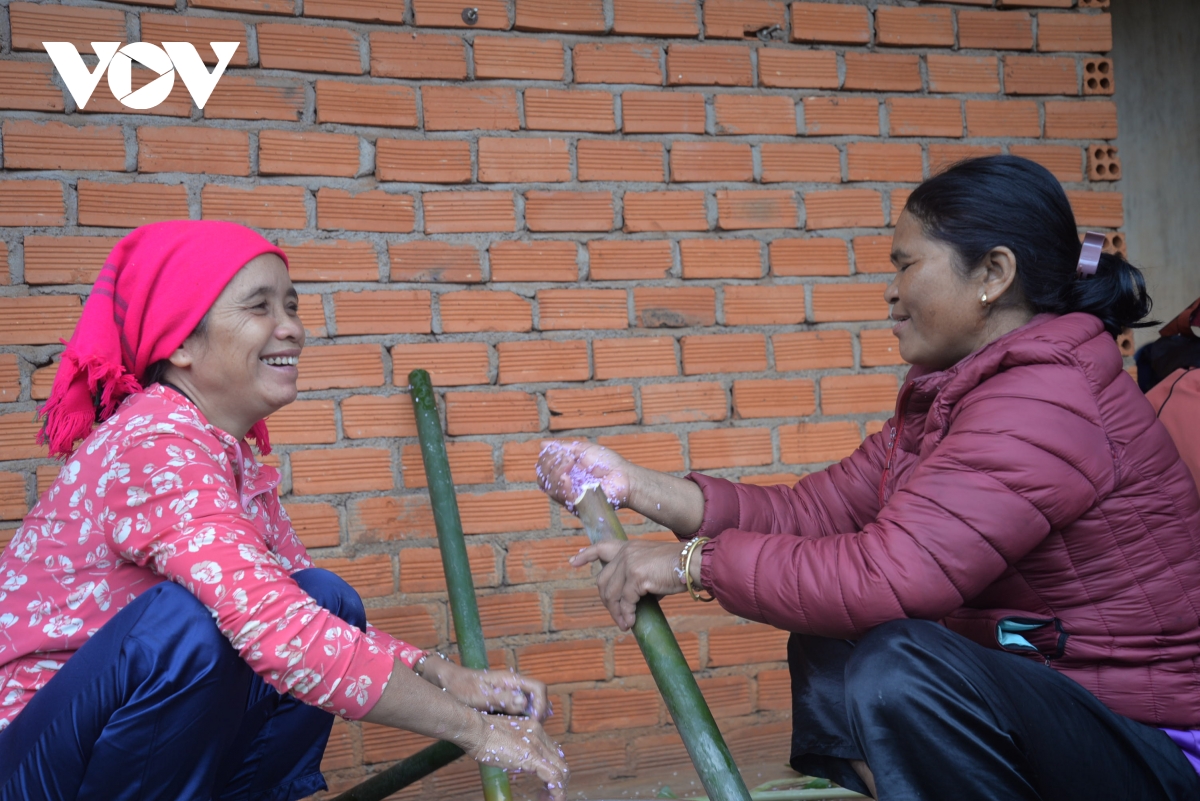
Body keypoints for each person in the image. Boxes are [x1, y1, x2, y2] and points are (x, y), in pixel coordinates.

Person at [537, 156, 1200, 800]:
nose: (890, 290)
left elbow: (886, 578)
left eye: (906, 265)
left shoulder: (1045, 402)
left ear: (994, 274)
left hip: (1148, 743)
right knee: (834, 639)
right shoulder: (961, 396)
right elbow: (809, 514)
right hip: (1056, 697)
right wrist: (632, 483)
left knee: (901, 663)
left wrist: (688, 565)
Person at [0, 221, 568, 801]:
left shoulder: (224, 453)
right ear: (181, 344)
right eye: (259, 307)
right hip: (27, 761)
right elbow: (277, 630)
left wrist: (445, 675)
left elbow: (298, 612)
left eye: (291, 306)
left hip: (104, 752)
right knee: (191, 624)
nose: (292, 328)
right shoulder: (153, 444)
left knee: (324, 597)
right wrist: (477, 732)